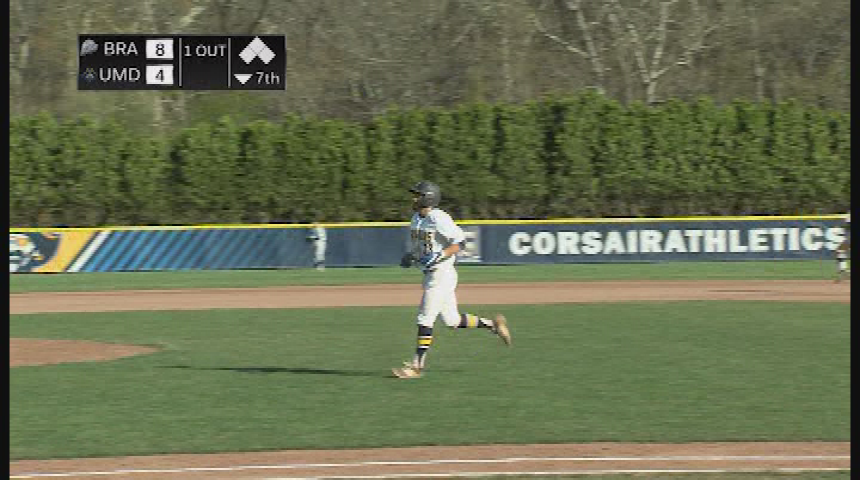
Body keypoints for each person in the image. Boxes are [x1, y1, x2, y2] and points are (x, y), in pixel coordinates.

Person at [392, 181, 511, 379]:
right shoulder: (416, 218)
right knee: (452, 321)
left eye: (418, 195)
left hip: (441, 274)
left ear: (428, 198)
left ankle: (416, 366)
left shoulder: (438, 217)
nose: (413, 198)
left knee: (425, 318)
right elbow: (422, 247)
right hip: (431, 274)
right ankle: (493, 325)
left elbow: (460, 243)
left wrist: (441, 255)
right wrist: (411, 256)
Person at [835, 211, 850, 283]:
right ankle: (844, 273)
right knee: (840, 255)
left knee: (840, 255)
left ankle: (845, 273)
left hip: (847, 241)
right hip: (847, 241)